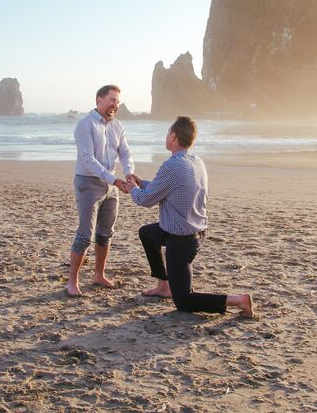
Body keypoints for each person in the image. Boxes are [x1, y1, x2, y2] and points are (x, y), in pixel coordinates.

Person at [126, 116, 254, 317]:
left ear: (174, 136)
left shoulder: (172, 166)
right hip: (194, 230)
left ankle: (238, 300)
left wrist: (133, 189)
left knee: (184, 301)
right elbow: (166, 188)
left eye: (168, 132)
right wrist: (141, 183)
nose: (166, 135)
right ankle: (164, 286)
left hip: (182, 239)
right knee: (148, 234)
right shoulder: (195, 161)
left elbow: (145, 201)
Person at [66, 84, 138, 297]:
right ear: (99, 100)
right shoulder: (85, 125)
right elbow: (88, 160)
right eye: (112, 100)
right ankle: (72, 282)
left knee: (106, 233)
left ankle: (99, 275)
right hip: (88, 183)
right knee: (85, 235)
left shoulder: (118, 126)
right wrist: (114, 180)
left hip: (111, 185)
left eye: (117, 101)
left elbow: (125, 153)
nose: (115, 104)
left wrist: (129, 174)